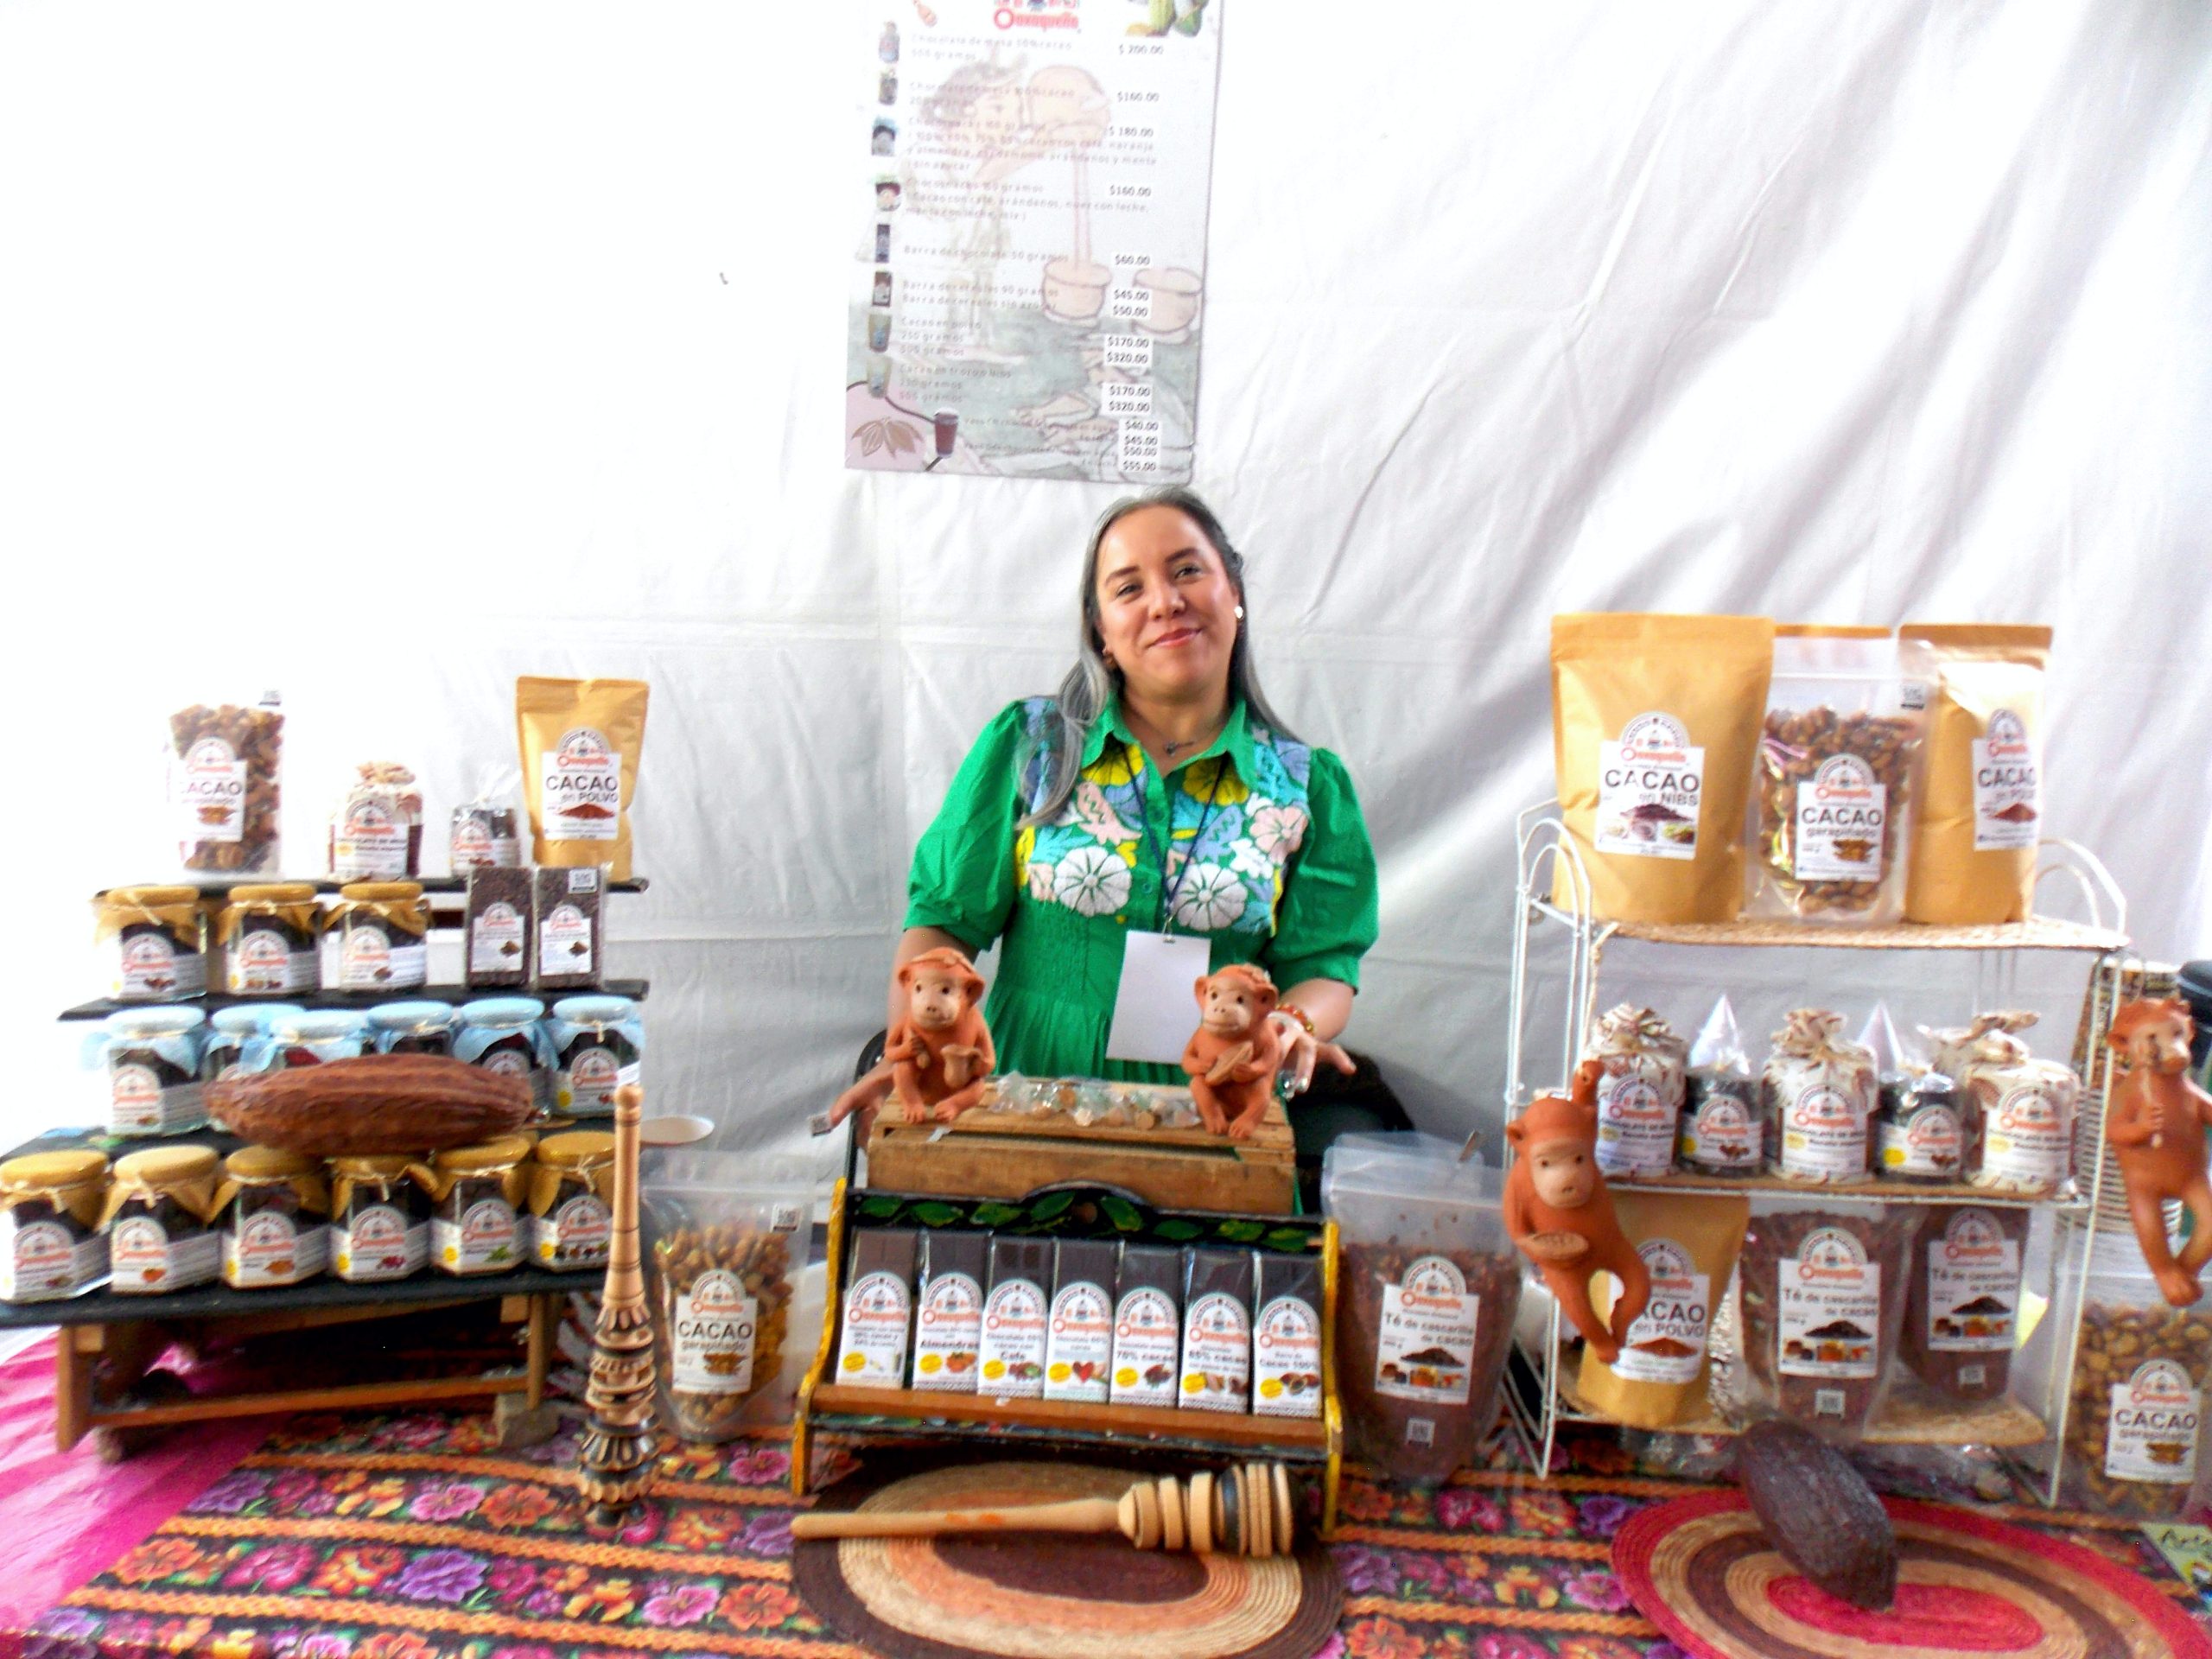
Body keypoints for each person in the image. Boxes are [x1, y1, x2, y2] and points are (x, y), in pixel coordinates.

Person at [831, 486, 1380, 1130]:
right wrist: (913, 1053)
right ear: (1102, 632)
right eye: (1128, 589)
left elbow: (1322, 968)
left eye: (1187, 571)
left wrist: (1293, 1021)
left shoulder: (1308, 788)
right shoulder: (1033, 748)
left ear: (1235, 592)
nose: (1165, 601)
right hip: (1015, 1102)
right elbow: (944, 927)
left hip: (1214, 1113)